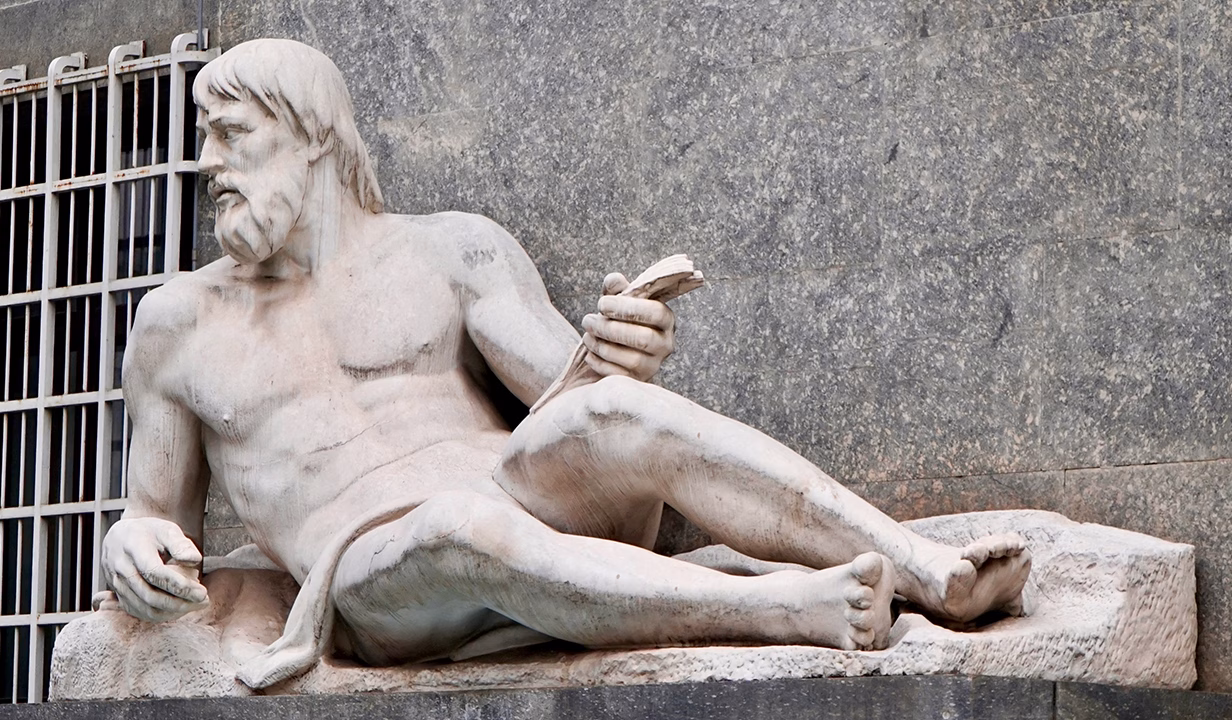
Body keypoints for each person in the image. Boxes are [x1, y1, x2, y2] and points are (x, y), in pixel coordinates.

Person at [99, 38, 1030, 689]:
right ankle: (789, 608)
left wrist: (625, 354)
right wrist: (128, 541)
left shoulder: (451, 249)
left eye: (230, 133)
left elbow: (566, 395)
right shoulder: (178, 324)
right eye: (202, 137)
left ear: (309, 133)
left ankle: (924, 569)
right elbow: (156, 514)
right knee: (457, 528)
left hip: (512, 491)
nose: (207, 162)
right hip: (371, 569)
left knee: (616, 417)